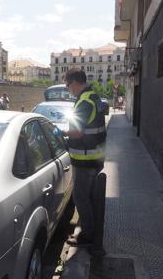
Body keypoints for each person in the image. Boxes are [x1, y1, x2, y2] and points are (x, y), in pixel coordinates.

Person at [62, 68, 106, 247]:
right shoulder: (93, 96)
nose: (68, 89)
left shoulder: (84, 102)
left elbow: (78, 132)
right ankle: (90, 231)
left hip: (86, 160)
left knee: (80, 198)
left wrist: (62, 132)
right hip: (94, 156)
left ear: (74, 82)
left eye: (67, 85)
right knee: (87, 197)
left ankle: (87, 236)